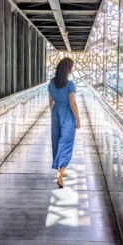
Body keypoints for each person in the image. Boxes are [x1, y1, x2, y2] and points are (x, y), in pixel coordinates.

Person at [48, 57, 81, 188]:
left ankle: (61, 168)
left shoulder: (51, 83)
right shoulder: (70, 85)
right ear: (67, 69)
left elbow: (50, 101)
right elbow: (72, 104)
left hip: (56, 112)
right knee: (66, 141)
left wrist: (52, 113)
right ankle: (61, 172)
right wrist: (78, 119)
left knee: (56, 140)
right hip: (67, 114)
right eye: (71, 68)